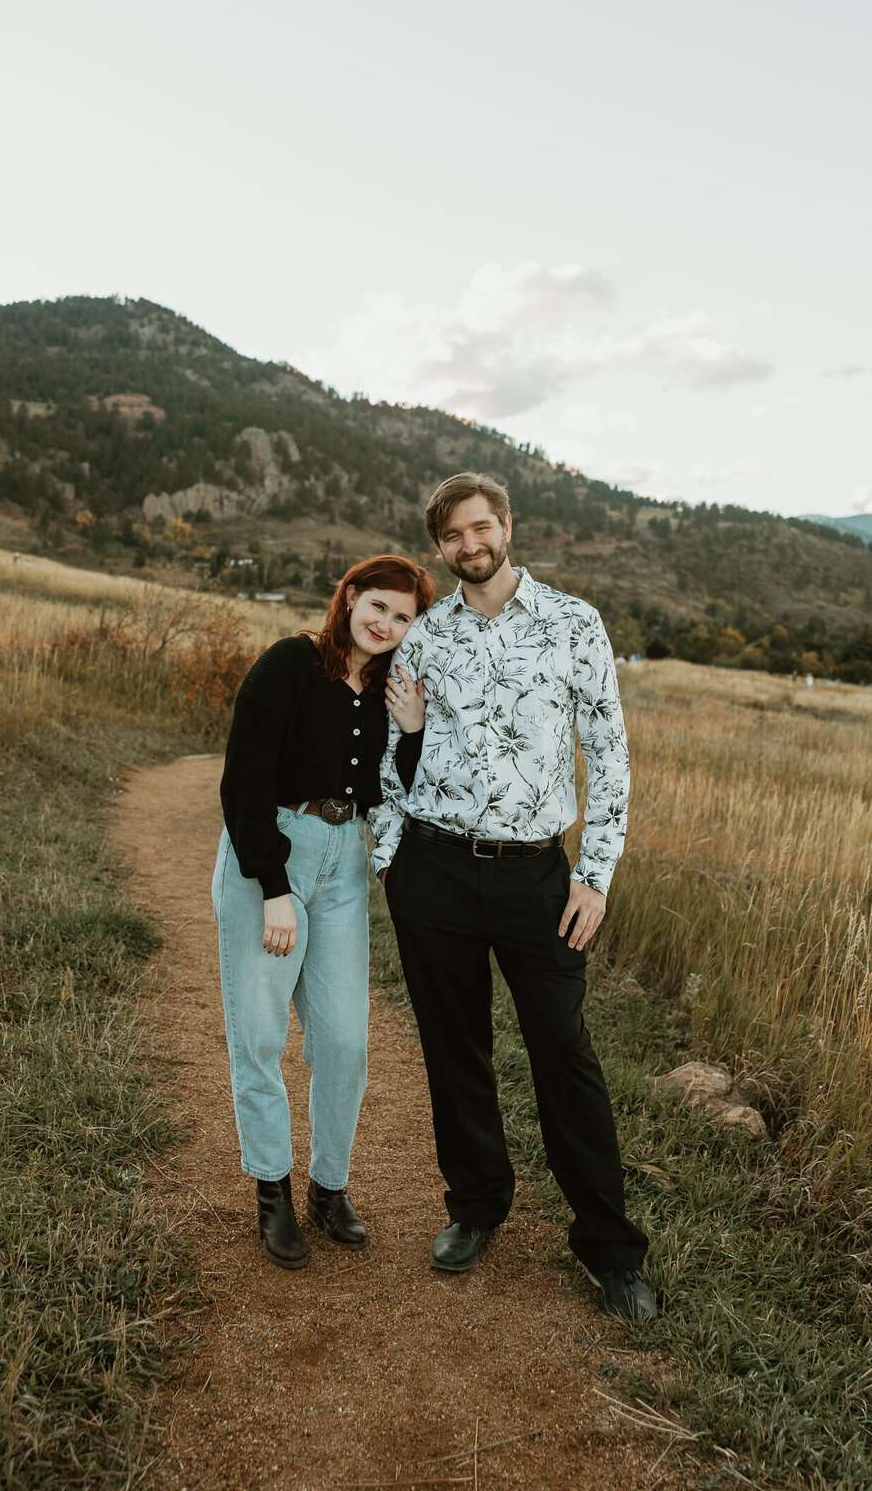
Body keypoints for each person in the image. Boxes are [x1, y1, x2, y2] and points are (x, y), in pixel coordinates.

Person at [371, 473, 656, 1324]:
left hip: (538, 876)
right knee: (454, 1048)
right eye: (454, 534)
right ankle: (476, 1204)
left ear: (507, 527)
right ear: (440, 547)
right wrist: (393, 862)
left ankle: (611, 1250)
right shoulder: (423, 639)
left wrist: (595, 876)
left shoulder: (575, 624)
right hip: (436, 871)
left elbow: (609, 757)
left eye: (482, 526)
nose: (471, 544)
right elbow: (394, 763)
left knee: (563, 1054)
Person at [214, 555, 432, 1268]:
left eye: (402, 617)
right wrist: (272, 885)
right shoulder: (290, 663)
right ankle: (271, 1190)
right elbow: (244, 775)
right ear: (349, 598)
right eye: (377, 606)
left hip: (345, 860)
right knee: (261, 1034)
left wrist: (415, 732)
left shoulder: (385, 689)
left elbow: (391, 794)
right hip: (273, 853)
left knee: (344, 1042)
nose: (386, 624)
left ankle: (328, 1187)